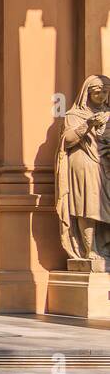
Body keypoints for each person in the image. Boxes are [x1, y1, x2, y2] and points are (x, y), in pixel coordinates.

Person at [56, 74, 110, 266]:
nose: (102, 96)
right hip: (85, 163)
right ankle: (90, 249)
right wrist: (88, 125)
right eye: (97, 92)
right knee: (88, 205)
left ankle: (104, 246)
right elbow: (67, 141)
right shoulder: (74, 115)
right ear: (87, 93)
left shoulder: (108, 113)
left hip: (105, 163)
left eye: (105, 92)